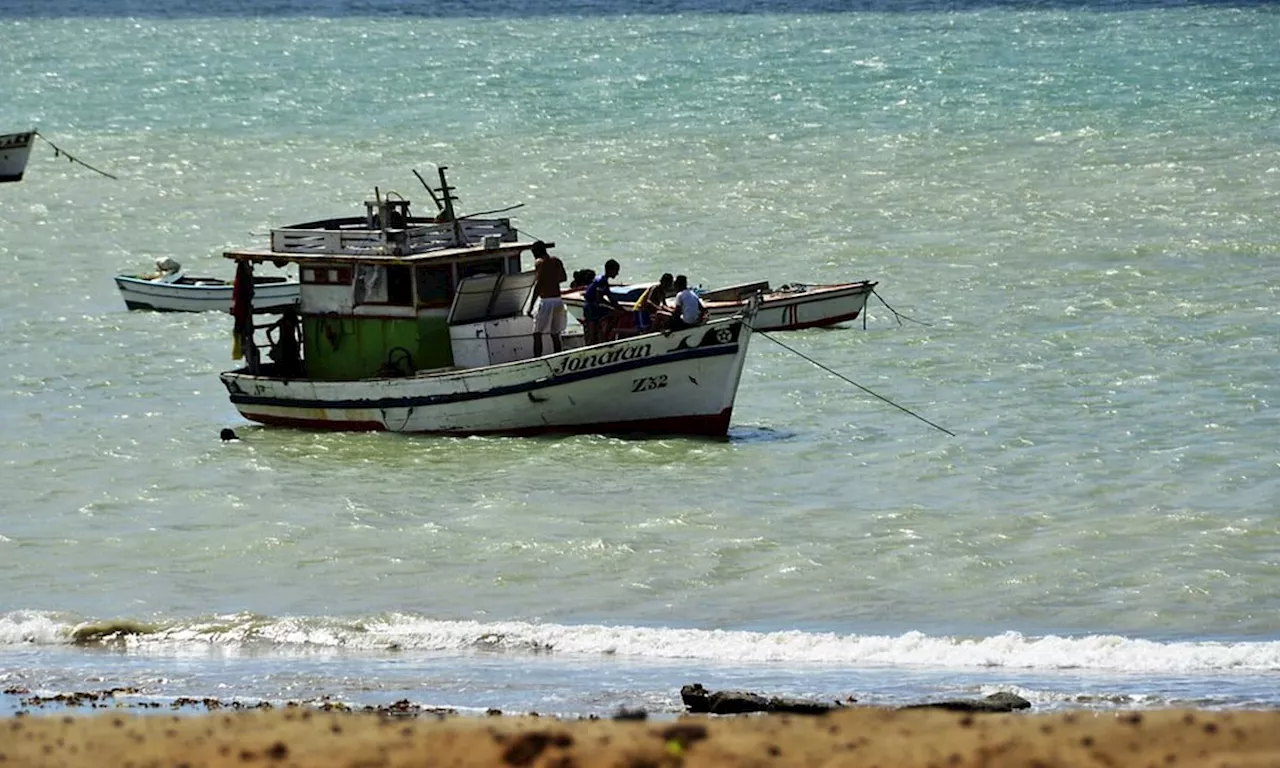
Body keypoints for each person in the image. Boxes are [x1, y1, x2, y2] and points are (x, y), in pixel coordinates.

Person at [530, 241, 568, 356]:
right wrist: (552, 280)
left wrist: (531, 306)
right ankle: (558, 356)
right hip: (558, 299)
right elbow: (563, 278)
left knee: (537, 333)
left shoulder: (539, 262)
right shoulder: (556, 261)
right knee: (555, 333)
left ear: (536, 251)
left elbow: (538, 285)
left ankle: (537, 359)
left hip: (546, 301)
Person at [583, 259, 621, 344]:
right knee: (593, 333)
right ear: (611, 270)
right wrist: (613, 308)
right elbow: (599, 299)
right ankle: (605, 338)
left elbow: (610, 297)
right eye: (616, 271)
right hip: (591, 307)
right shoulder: (602, 281)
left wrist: (619, 307)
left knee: (596, 331)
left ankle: (603, 338)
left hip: (591, 306)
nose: (617, 273)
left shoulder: (601, 279)